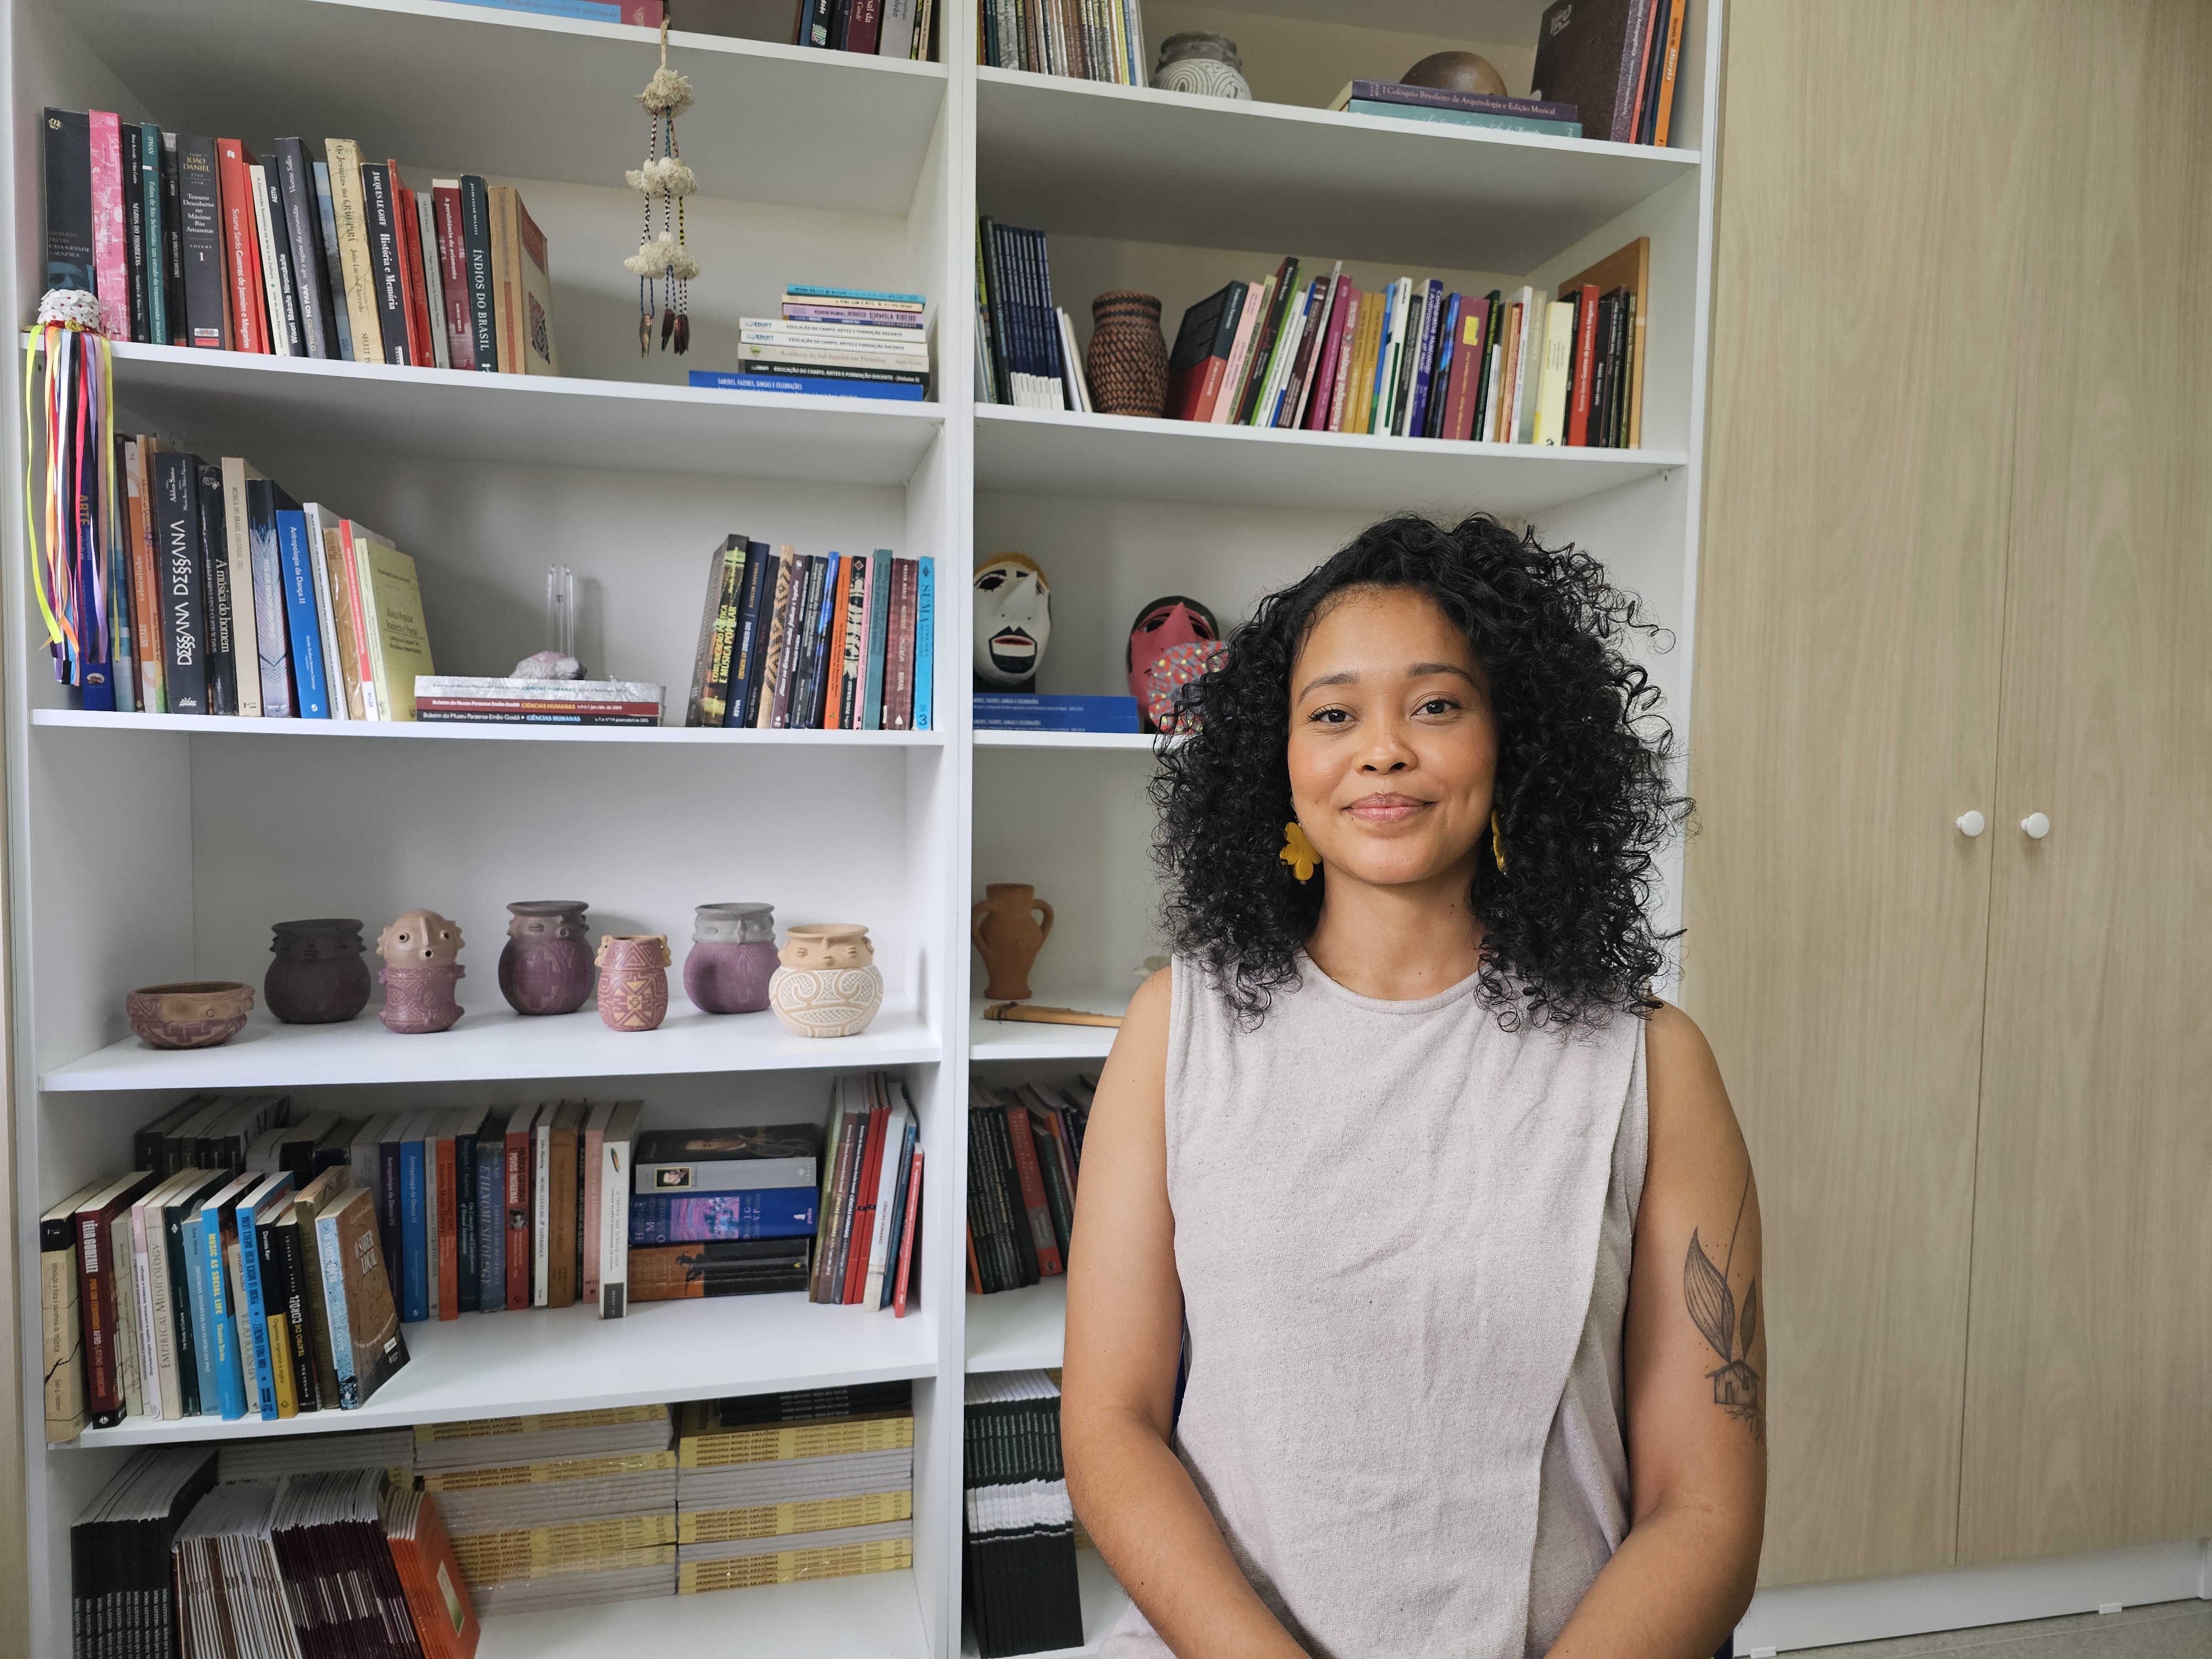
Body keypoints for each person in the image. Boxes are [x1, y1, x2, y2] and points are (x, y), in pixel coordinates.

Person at [1062, 514, 1764, 1659]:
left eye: (1434, 705)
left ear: (1514, 743)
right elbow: (1109, 1424)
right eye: (1331, 714)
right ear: (1278, 765)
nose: (1379, 750)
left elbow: (1706, 1509)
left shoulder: (1650, 1062)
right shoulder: (1173, 1030)